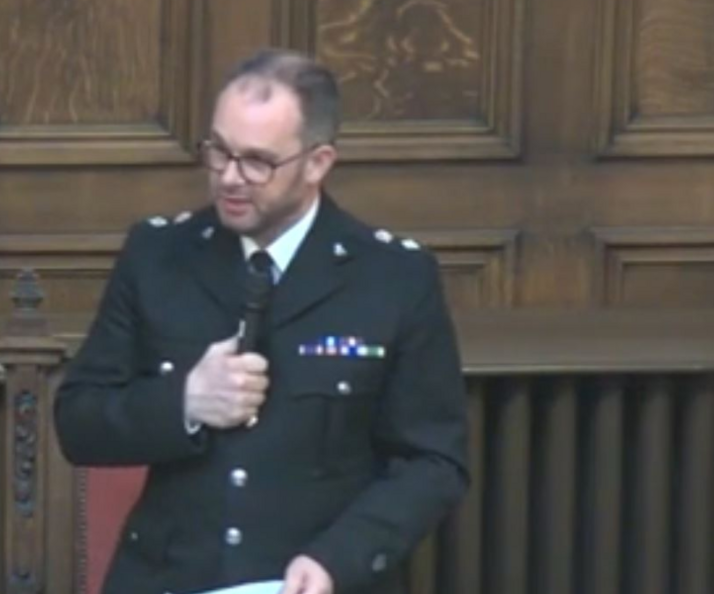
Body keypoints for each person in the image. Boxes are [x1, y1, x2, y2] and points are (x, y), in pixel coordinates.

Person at [54, 49, 469, 594]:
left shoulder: (392, 278)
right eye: (218, 151)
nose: (229, 177)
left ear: (317, 163)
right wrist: (184, 402)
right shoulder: (159, 255)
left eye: (256, 161)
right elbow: (79, 422)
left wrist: (338, 560)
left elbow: (433, 462)